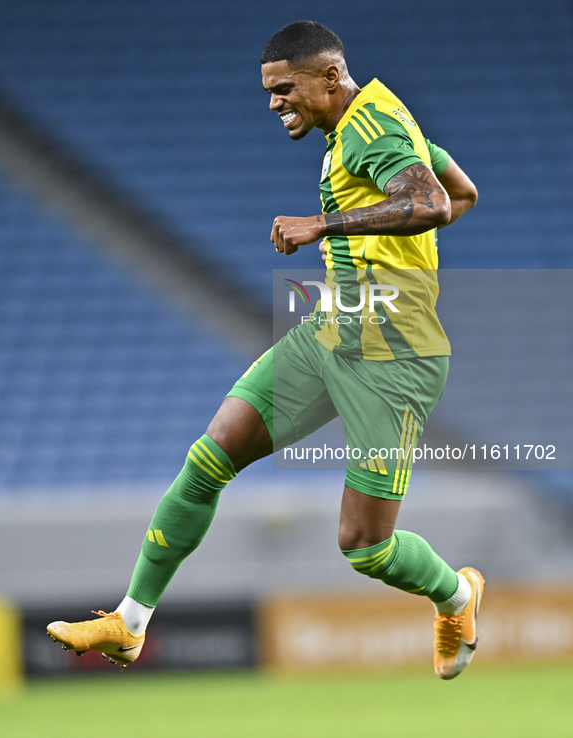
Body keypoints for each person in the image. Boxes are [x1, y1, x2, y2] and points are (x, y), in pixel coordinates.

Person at [47, 21, 480, 680]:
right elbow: (460, 194)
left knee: (364, 547)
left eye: (284, 89)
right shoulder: (369, 125)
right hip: (333, 326)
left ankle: (456, 596)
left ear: (329, 76)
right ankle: (128, 624)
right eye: (269, 92)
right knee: (209, 457)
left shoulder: (373, 129)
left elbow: (425, 201)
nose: (275, 103)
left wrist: (322, 225)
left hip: (394, 352)